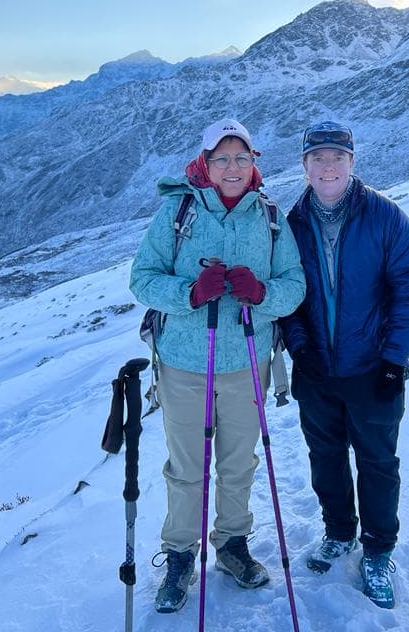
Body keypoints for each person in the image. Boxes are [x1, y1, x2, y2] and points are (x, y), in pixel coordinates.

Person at [129, 119, 306, 614]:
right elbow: (142, 279)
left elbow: (294, 284)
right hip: (184, 362)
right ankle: (181, 553)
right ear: (205, 164)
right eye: (222, 158)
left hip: (248, 362)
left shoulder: (269, 216)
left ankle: (231, 544)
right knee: (186, 467)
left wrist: (263, 294)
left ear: (255, 165)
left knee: (238, 464)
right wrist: (187, 294)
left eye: (242, 158)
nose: (233, 167)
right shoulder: (178, 210)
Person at [280, 120, 409, 609]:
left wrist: (393, 360)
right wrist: (299, 348)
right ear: (304, 166)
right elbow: (289, 297)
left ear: (352, 162)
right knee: (325, 458)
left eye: (336, 157)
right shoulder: (291, 224)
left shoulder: (385, 217)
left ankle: (379, 551)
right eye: (317, 158)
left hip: (373, 370)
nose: (327, 167)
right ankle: (339, 532)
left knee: (378, 464)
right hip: (316, 370)